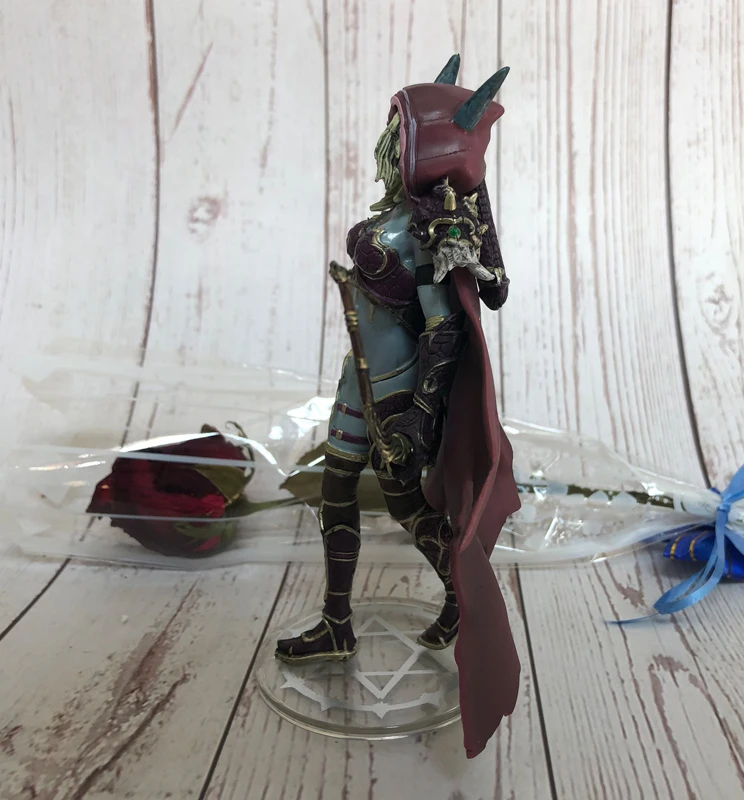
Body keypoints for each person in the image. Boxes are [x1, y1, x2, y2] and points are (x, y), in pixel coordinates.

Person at [276, 55, 521, 758]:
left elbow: (445, 327)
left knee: (407, 506)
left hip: (394, 389)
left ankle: (461, 597)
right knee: (335, 487)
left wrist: (418, 414)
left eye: (396, 134)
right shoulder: (397, 217)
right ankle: (337, 622)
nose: (385, 145)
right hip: (356, 385)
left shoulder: (431, 225)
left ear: (421, 145)